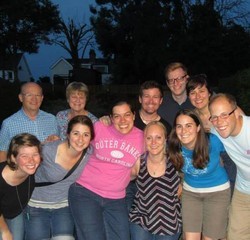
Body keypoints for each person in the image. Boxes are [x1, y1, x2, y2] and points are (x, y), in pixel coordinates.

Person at [68, 100, 144, 240]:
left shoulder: (142, 138)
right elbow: (76, 143)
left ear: (134, 115)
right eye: (116, 116)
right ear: (110, 118)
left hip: (116, 198)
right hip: (85, 192)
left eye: (127, 115)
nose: (122, 120)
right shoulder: (99, 127)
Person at [24, 115, 94, 240]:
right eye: (76, 133)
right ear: (67, 134)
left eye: (86, 135)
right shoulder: (47, 150)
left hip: (63, 207)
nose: (80, 139)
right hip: (36, 206)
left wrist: (107, 120)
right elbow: (24, 166)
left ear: (91, 138)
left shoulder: (89, 153)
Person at [168, 109, 230, 240]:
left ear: (198, 127)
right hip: (191, 194)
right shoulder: (174, 146)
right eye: (179, 126)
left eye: (189, 125)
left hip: (217, 193)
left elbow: (233, 153)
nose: (183, 131)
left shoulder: (212, 141)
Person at [129, 121, 182, 240]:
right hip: (141, 217)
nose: (153, 142)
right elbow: (121, 178)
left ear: (165, 139)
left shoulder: (175, 160)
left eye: (158, 137)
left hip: (169, 221)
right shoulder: (138, 161)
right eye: (149, 138)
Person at [208, 93, 250, 240]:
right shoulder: (217, 132)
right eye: (214, 117)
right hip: (243, 189)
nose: (219, 122)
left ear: (236, 113)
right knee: (235, 236)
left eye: (224, 115)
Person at [186, 74, 237, 193]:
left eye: (202, 91)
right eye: (193, 93)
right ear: (188, 96)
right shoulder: (191, 119)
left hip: (234, 164)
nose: (197, 96)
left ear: (209, 93)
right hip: (210, 172)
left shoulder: (223, 111)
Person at [0, 82, 59, 162]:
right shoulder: (9, 124)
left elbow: (58, 148)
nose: (34, 99)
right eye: (29, 95)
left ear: (42, 98)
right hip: (22, 172)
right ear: (21, 98)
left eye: (37, 95)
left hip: (48, 171)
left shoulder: (52, 120)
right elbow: (3, 153)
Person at [0, 133, 41, 240]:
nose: (31, 161)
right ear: (13, 158)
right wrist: (5, 232)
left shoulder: (29, 170)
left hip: (13, 213)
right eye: (24, 156)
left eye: (35, 154)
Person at [158, 62, 194, 126]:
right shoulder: (160, 105)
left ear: (187, 78)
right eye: (171, 80)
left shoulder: (196, 101)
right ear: (167, 83)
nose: (176, 83)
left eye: (179, 78)